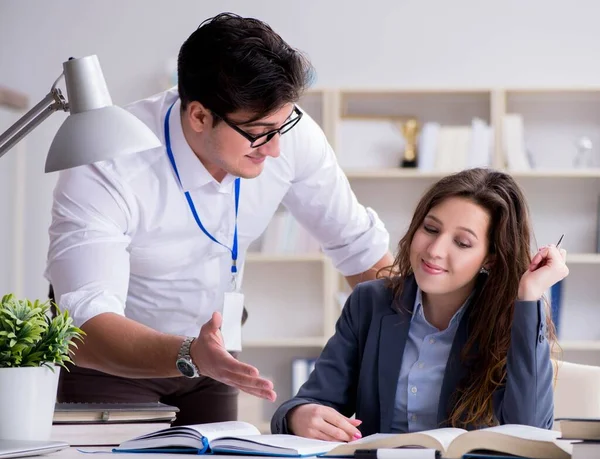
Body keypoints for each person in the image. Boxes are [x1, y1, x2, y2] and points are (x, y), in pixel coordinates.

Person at [45, 12, 393, 426]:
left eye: (284, 125)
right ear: (198, 116)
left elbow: (363, 253)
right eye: (259, 132)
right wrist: (189, 353)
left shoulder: (283, 134)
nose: (276, 149)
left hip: (217, 355)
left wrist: (425, 332)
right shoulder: (109, 161)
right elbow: (85, 325)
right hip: (114, 365)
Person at [271, 167, 568, 440]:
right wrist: (299, 416)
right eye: (430, 228)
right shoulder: (370, 302)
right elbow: (312, 401)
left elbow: (531, 433)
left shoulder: (510, 318)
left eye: (462, 243)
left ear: (490, 257)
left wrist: (528, 297)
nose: (435, 250)